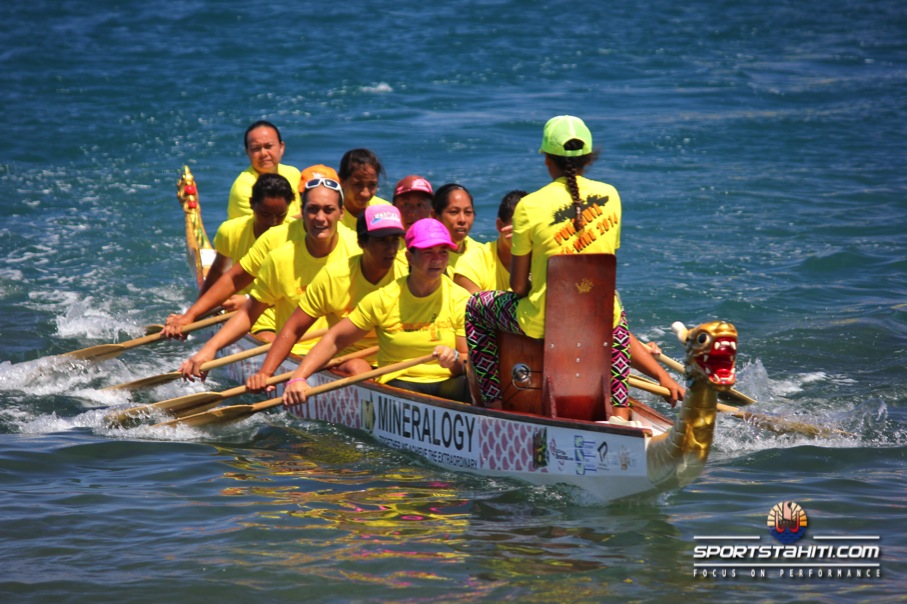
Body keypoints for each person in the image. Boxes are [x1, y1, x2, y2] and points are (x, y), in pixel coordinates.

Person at [464, 115, 684, 416]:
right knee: (611, 306)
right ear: (588, 158)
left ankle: (495, 406)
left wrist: (536, 287)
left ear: (546, 160)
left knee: (477, 306)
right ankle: (618, 412)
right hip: (597, 320)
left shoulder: (530, 205)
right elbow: (601, 262)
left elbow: (516, 286)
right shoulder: (612, 196)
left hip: (543, 321)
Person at [178, 178, 356, 379]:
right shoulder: (277, 245)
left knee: (358, 368)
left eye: (329, 210)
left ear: (341, 213)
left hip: (340, 348)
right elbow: (235, 281)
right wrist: (194, 321)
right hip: (290, 344)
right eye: (313, 209)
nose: (320, 218)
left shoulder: (357, 249)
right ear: (302, 211)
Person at [282, 218, 471, 406]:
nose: (437, 259)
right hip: (400, 383)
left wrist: (454, 359)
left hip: (448, 382)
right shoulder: (384, 299)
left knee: (475, 384)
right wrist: (298, 378)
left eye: (443, 252)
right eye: (428, 252)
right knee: (406, 393)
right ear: (410, 257)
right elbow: (335, 339)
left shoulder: (460, 299)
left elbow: (466, 358)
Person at [244, 205, 408, 391]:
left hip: (398, 359)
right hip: (349, 359)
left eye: (395, 240)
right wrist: (266, 373)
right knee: (358, 368)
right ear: (362, 242)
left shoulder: (409, 274)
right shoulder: (334, 277)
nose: (391, 248)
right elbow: (294, 329)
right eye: (382, 240)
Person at [203, 173, 293, 334]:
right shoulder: (230, 231)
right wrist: (195, 313)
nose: (272, 222)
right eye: (265, 214)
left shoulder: (296, 236)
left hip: (286, 307)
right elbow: (217, 271)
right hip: (249, 313)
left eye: (280, 215)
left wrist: (247, 300)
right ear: (251, 204)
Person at [454, 190, 526, 294]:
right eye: (519, 225)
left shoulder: (543, 258)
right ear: (500, 225)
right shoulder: (473, 263)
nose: (525, 232)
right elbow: (475, 307)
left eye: (531, 227)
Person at [226, 120, 301, 219]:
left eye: (268, 146)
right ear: (248, 152)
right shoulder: (244, 188)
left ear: (281, 147)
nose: (263, 153)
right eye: (256, 148)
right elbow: (266, 226)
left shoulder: (293, 173)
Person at [337, 149, 392, 232]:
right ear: (342, 182)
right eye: (358, 184)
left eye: (372, 184)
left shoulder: (387, 212)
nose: (365, 194)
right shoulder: (330, 215)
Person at [431, 183, 477, 274]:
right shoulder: (426, 259)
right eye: (454, 212)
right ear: (434, 216)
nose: (462, 220)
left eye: (468, 212)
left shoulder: (481, 253)